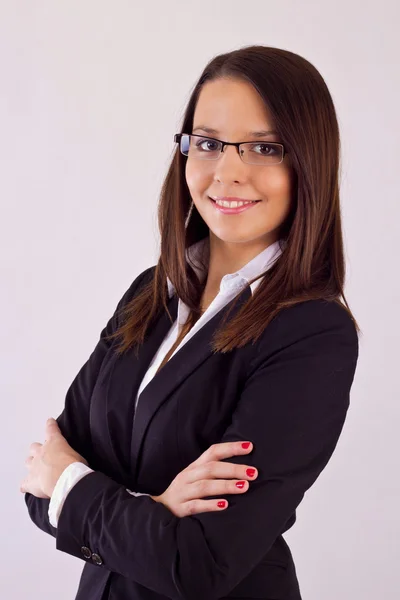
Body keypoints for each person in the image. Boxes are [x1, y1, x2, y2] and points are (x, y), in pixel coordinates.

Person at [22, 45, 360, 600]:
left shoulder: (312, 332)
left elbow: (198, 564)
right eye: (207, 144)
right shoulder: (149, 293)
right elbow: (39, 485)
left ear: (308, 162)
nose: (227, 172)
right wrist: (147, 511)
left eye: (264, 148)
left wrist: (76, 487)